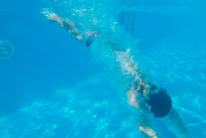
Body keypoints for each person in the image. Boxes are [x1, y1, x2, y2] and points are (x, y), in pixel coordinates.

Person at [45, 12, 191, 138]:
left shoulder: (154, 86)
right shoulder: (132, 96)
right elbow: (145, 127)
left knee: (95, 23)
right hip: (97, 43)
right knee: (78, 35)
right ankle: (57, 18)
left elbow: (170, 114)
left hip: (115, 41)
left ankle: (62, 17)